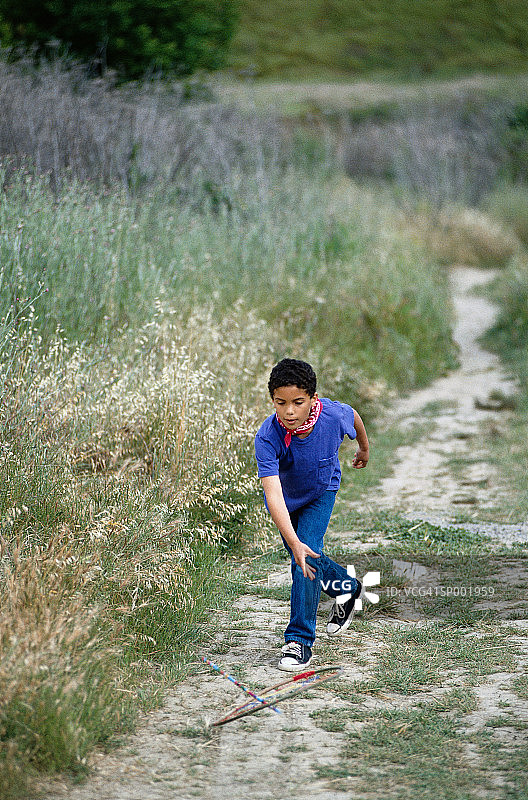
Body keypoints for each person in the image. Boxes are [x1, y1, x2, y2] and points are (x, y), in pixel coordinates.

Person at [254, 358, 370, 671]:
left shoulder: (332, 414)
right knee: (303, 552)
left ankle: (299, 641)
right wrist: (292, 540)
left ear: (312, 399)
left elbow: (355, 417)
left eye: (298, 402)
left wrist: (364, 448)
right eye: (280, 403)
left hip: (321, 493)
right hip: (287, 503)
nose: (289, 411)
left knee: (302, 561)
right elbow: (273, 494)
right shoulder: (268, 437)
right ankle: (348, 587)